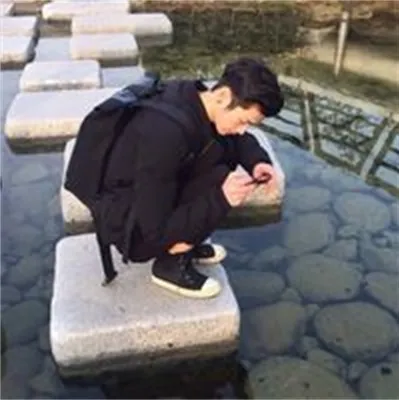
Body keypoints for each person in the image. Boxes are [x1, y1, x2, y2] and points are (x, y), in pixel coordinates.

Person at [100, 57, 284, 299]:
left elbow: (239, 141)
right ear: (224, 96)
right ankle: (170, 264)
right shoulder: (166, 134)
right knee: (219, 180)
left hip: (147, 196)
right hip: (134, 229)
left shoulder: (196, 98)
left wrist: (258, 162)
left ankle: (187, 241)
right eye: (244, 121)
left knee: (220, 152)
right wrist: (221, 199)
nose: (243, 130)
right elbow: (153, 230)